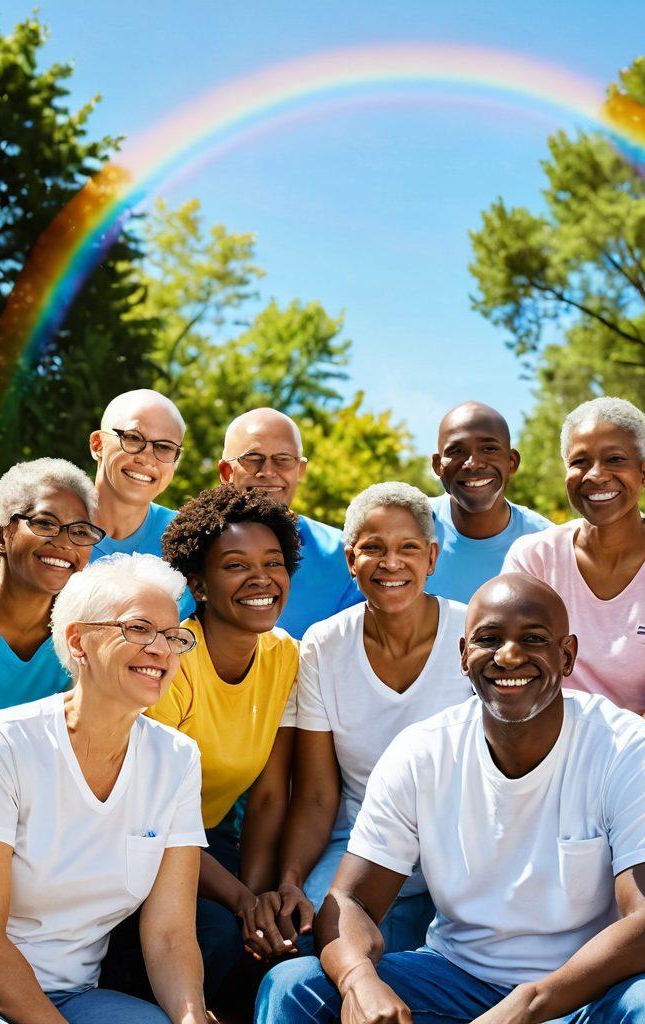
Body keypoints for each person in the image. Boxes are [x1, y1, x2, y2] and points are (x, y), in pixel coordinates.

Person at [255, 573, 645, 1024]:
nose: (508, 656)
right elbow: (351, 900)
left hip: (587, 989)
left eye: (533, 638)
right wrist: (358, 981)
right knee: (295, 986)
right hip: (455, 978)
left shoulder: (626, 747)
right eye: (488, 639)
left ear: (567, 656)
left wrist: (526, 1007)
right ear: (464, 657)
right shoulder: (422, 750)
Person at [0, 553, 212, 1023]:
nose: (161, 649)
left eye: (173, 637)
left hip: (76, 998)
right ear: (78, 642)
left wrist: (192, 1019)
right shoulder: (0, 744)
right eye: (138, 629)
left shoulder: (178, 759)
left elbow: (171, 935)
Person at [273, 482, 472, 956]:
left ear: (432, 557)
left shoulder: (472, 634)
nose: (391, 563)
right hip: (360, 847)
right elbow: (319, 795)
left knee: (458, 966)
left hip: (462, 848)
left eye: (408, 548)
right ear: (350, 559)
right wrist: (292, 881)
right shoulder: (323, 645)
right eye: (373, 549)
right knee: (306, 946)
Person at [146, 486, 303, 996]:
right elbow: (154, 817)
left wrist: (258, 898)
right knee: (215, 937)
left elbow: (268, 796)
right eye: (236, 565)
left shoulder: (285, 657)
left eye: (273, 562)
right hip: (138, 843)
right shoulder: (169, 664)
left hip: (210, 842)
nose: (261, 579)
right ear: (200, 583)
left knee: (290, 927)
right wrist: (241, 903)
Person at [503, 396, 645, 753]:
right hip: (540, 755)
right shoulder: (533, 558)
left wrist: (599, 774)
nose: (596, 475)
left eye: (615, 460)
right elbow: (515, 679)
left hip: (640, 763)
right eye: (580, 462)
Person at [0, 458, 101, 730]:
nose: (64, 543)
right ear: (0, 536)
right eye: (45, 523)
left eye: (79, 531)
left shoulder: (83, 635)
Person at [218, 408, 360, 637]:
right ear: (226, 472)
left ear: (300, 470)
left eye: (283, 460)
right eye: (253, 459)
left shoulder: (341, 554)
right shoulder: (195, 547)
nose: (268, 472)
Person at [427, 401, 552, 602]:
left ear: (512, 461)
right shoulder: (410, 528)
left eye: (488, 449)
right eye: (456, 451)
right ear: (437, 465)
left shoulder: (546, 543)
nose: (473, 464)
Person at [89, 390, 186, 560]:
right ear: (98, 444)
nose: (146, 458)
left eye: (164, 447)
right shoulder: (50, 526)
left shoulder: (188, 539)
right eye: (133, 438)